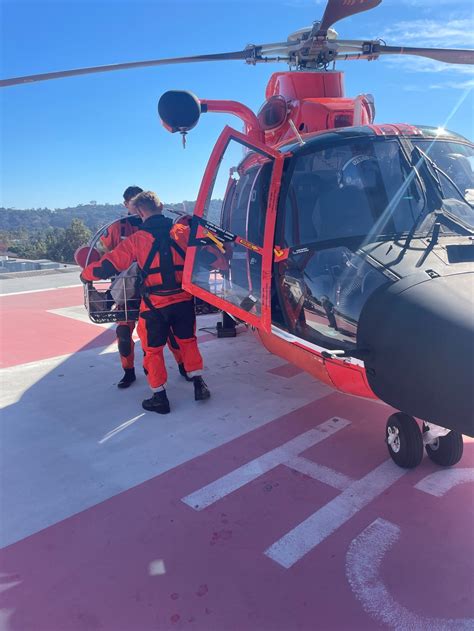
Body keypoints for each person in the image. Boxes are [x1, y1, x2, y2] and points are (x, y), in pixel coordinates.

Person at [81, 190, 210, 414]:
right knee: (188, 341)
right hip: (184, 300)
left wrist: (86, 275)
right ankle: (199, 385)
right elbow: (209, 255)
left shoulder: (136, 240)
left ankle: (160, 397)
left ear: (140, 212)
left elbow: (108, 265)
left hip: (154, 305)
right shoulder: (184, 232)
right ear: (161, 207)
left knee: (153, 350)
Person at [101, 185, 189, 388]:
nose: (137, 208)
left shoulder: (156, 226)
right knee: (124, 332)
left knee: (168, 331)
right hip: (127, 289)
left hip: (153, 289)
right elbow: (107, 256)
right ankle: (128, 371)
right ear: (126, 205)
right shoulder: (117, 228)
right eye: (133, 203)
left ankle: (184, 366)